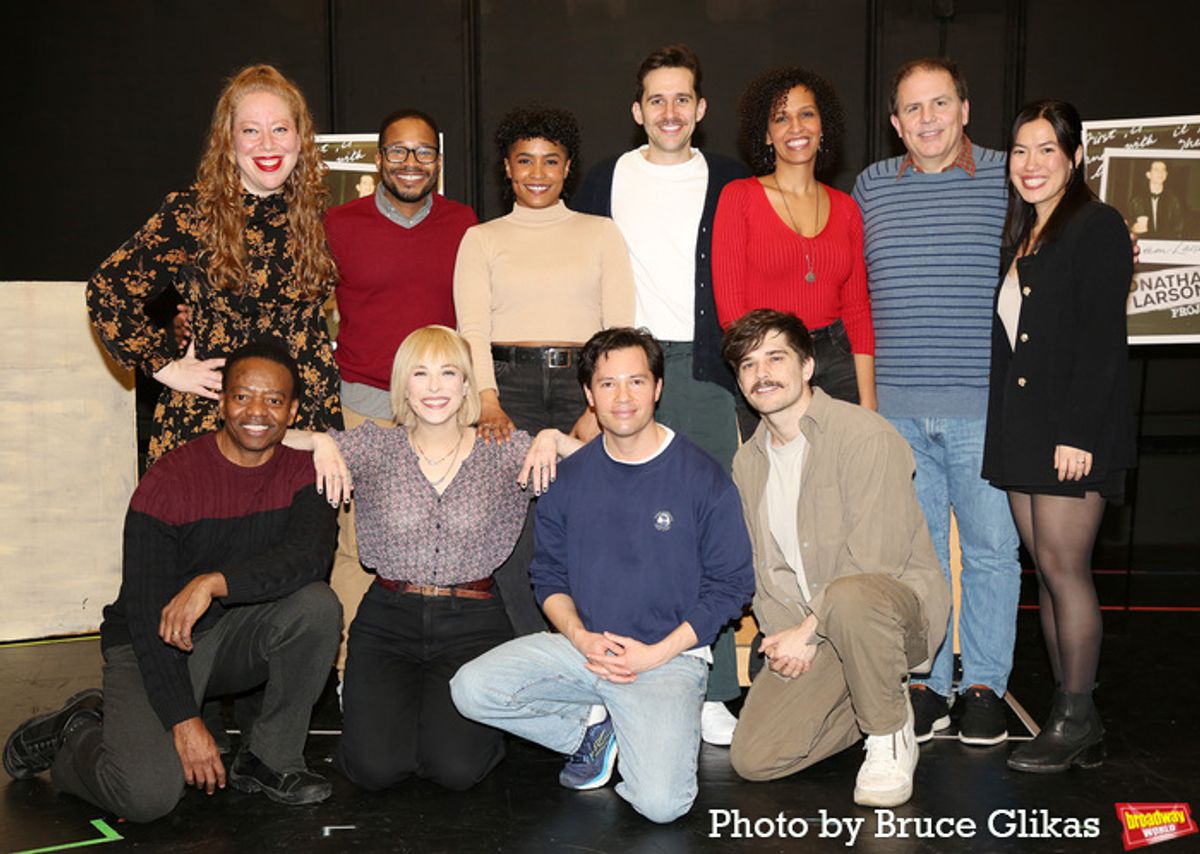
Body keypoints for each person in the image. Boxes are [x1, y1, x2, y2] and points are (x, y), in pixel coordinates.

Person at [3, 342, 340, 820]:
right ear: (221, 402)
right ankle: (76, 730)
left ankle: (270, 759)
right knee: (147, 796)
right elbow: (143, 616)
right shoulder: (170, 481)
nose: (257, 412)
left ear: (292, 412)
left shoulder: (308, 474)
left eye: (274, 400)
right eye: (242, 397)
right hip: (153, 643)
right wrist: (185, 720)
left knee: (316, 606)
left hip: (229, 636)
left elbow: (307, 560)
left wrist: (213, 582)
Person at [450, 327, 755, 824]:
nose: (623, 397)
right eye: (608, 384)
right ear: (589, 396)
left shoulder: (703, 477)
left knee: (661, 806)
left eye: (636, 382)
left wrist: (657, 652)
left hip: (666, 660)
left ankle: (635, 722)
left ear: (658, 387)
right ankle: (592, 731)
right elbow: (547, 576)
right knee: (471, 688)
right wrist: (579, 636)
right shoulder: (570, 479)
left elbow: (733, 586)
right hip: (585, 652)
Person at [283, 326, 572, 791]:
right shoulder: (375, 446)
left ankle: (448, 730)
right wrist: (321, 441)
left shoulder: (502, 450)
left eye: (448, 373)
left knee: (456, 771)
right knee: (375, 771)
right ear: (404, 386)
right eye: (420, 373)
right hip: (388, 621)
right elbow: (270, 437)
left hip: (473, 622)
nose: (435, 387)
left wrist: (554, 439)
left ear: (465, 386)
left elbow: (609, 459)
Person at [569, 43, 749, 745]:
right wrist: (594, 386)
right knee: (619, 528)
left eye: (682, 99)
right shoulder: (605, 179)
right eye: (656, 100)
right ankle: (608, 677)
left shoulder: (731, 180)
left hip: (703, 368)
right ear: (636, 111)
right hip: (624, 368)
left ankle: (713, 687)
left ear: (700, 111)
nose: (669, 111)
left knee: (708, 528)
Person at [851, 57, 1020, 745]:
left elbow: (1071, 227)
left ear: (965, 109)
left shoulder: (1011, 175)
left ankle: (983, 685)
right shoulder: (871, 187)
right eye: (913, 109)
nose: (928, 119)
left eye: (940, 104)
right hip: (895, 413)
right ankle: (926, 682)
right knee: (918, 559)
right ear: (895, 122)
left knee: (989, 551)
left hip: (985, 406)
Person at [721, 309, 949, 808]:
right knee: (755, 759)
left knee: (850, 596)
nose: (762, 374)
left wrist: (806, 631)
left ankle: (889, 733)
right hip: (818, 630)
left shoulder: (864, 434)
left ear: (806, 366)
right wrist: (787, 639)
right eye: (748, 365)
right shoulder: (747, 462)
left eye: (775, 358)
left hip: (888, 614)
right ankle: (874, 694)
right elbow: (767, 569)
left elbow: (877, 560)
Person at [87, 64, 342, 465]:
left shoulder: (316, 214)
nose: (267, 145)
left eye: (280, 129)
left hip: (304, 425)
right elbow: (108, 290)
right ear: (229, 140)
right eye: (250, 130)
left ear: (300, 137)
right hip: (211, 426)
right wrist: (166, 369)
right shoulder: (192, 214)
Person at [984, 99, 1135, 773]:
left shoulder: (1096, 226)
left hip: (1071, 435)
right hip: (1025, 433)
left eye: (1047, 149)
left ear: (1074, 158)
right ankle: (1076, 714)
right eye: (1020, 150)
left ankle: (1075, 716)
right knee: (1045, 571)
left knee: (1067, 570)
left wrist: (1078, 435)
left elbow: (1104, 343)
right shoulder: (1025, 235)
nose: (1031, 164)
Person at [322, 108, 479, 680]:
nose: (410, 164)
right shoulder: (338, 223)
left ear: (438, 160)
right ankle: (348, 670)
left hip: (439, 411)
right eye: (397, 151)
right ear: (377, 157)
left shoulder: (465, 223)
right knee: (359, 547)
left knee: (439, 540)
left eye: (423, 153)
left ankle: (432, 665)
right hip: (363, 407)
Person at [453, 104, 635, 442]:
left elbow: (618, 330)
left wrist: (598, 407)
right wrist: (486, 401)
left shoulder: (602, 232)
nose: (537, 173)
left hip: (584, 386)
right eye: (525, 160)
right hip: (507, 388)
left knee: (586, 493)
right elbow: (473, 331)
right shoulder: (480, 239)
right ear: (508, 168)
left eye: (550, 161)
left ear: (567, 168)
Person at [714, 67, 875, 408]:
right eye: (781, 118)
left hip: (837, 363)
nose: (796, 127)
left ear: (822, 126)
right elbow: (732, 313)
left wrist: (869, 404)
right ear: (767, 134)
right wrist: (773, 365)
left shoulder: (847, 208)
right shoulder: (739, 197)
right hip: (765, 361)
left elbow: (858, 312)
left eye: (806, 114)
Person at [1128, 159, 1185, 239]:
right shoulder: (1136, 200)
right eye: (1156, 170)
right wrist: (1132, 229)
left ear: (1166, 175)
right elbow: (1126, 224)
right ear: (1148, 174)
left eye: (1163, 170)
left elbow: (1180, 227)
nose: (1160, 173)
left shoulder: (1174, 200)